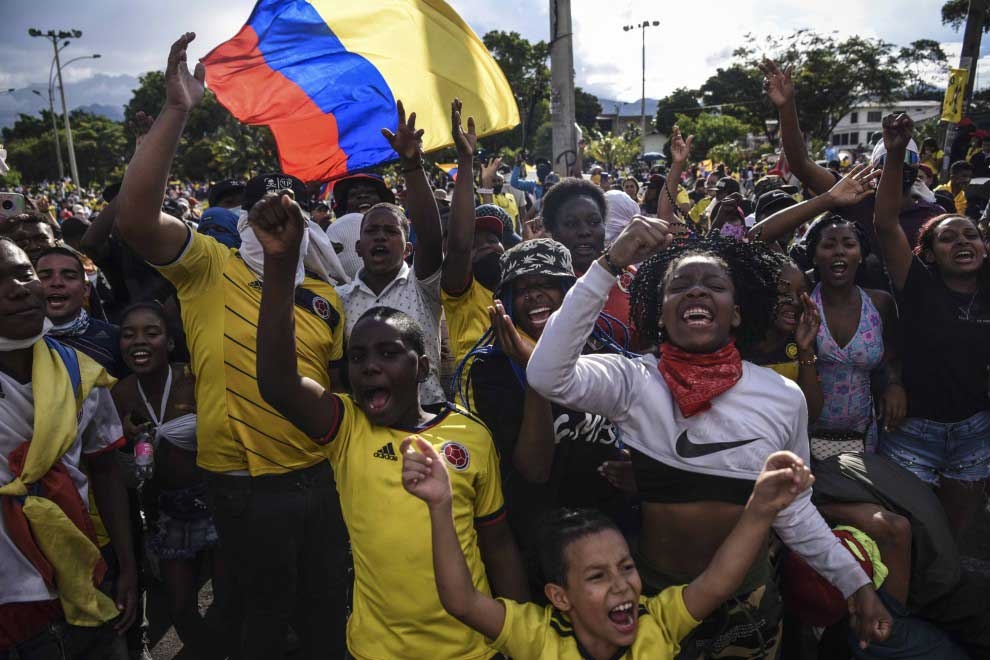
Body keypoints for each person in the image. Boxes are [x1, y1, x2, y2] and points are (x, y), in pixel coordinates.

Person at [527, 223, 892, 656]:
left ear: (736, 311)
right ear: (659, 312)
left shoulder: (781, 398)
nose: (696, 292)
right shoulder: (634, 382)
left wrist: (856, 583)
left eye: (714, 285)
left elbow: (793, 511)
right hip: (654, 603)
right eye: (679, 286)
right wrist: (610, 263)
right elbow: (547, 374)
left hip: (748, 603)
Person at [113, 33, 349, 660]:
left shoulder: (326, 295)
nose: (272, 220)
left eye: (286, 208)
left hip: (321, 475)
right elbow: (134, 220)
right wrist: (177, 110)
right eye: (259, 210)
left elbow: (340, 388)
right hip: (242, 483)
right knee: (258, 620)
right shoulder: (208, 267)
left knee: (329, 611)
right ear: (243, 220)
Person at [249, 188, 529, 659]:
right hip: (376, 651)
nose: (370, 367)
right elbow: (278, 382)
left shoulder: (471, 436)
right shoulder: (347, 429)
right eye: (357, 357)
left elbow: (498, 545)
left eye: (388, 354)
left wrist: (524, 638)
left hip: (471, 650)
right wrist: (280, 263)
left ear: (422, 367)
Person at [402, 437, 815, 660]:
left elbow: (719, 580)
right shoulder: (536, 639)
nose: (621, 586)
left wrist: (760, 509)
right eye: (597, 576)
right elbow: (461, 602)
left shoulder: (659, 623)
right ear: (559, 597)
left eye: (625, 567)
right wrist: (441, 505)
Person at [465, 238, 635, 584]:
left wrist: (639, 470)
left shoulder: (602, 349)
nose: (536, 295)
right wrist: (533, 369)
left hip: (615, 525)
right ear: (508, 302)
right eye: (524, 288)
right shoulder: (492, 371)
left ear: (568, 294)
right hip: (544, 538)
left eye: (547, 284)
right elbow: (535, 469)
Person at [0, 238, 138, 659]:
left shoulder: (81, 373)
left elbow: (106, 471)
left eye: (24, 273)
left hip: (84, 581)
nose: (18, 288)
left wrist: (127, 568)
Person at [874, 113, 990, 542]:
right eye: (948, 238)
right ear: (928, 254)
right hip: (913, 434)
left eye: (970, 236)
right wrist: (892, 154)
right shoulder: (918, 286)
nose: (962, 241)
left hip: (975, 432)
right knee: (915, 537)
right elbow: (885, 224)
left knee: (954, 540)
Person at [110, 301, 221, 657]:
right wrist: (127, 442)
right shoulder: (120, 394)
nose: (139, 341)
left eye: (151, 332)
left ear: (170, 342)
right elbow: (121, 475)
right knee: (179, 607)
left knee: (233, 597)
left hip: (215, 502)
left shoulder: (193, 379)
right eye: (129, 334)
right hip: (167, 511)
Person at [761, 59, 942, 253]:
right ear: (873, 168)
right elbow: (801, 165)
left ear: (919, 166)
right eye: (888, 160)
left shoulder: (932, 215)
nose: (899, 164)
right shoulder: (854, 198)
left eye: (909, 158)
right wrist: (786, 107)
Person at [334, 101, 445, 406]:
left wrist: (411, 164)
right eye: (371, 231)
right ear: (359, 247)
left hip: (428, 417)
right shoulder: (339, 299)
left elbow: (432, 238)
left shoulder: (423, 288)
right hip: (367, 423)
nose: (381, 236)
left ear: (408, 248)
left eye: (391, 231)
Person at [540, 177, 641, 351]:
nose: (585, 232)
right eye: (571, 224)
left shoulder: (629, 276)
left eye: (594, 222)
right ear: (552, 230)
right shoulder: (542, 283)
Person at [441, 100, 506, 367]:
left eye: (493, 240)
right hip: (472, 404)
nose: (488, 246)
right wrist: (466, 161)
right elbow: (458, 244)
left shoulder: (520, 291)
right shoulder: (461, 294)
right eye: (476, 245)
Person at [35, 246, 127, 377]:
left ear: (86, 289)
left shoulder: (115, 338)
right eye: (45, 276)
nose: (57, 283)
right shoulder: (18, 341)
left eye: (69, 277)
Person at [326, 173, 396, 280]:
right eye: (353, 195)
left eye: (370, 193)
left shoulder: (399, 230)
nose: (362, 196)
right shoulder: (334, 232)